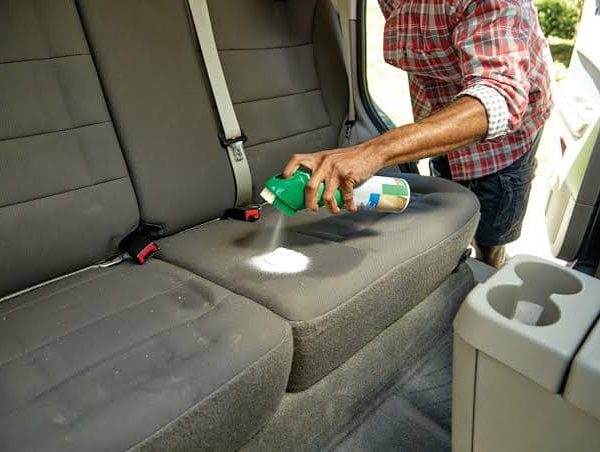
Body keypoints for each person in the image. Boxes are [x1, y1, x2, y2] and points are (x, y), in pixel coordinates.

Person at [282, 0, 553, 269]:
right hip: (442, 123)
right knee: (450, 217)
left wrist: (371, 152)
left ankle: (490, 266)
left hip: (505, 143)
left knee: (489, 240)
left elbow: (500, 96)